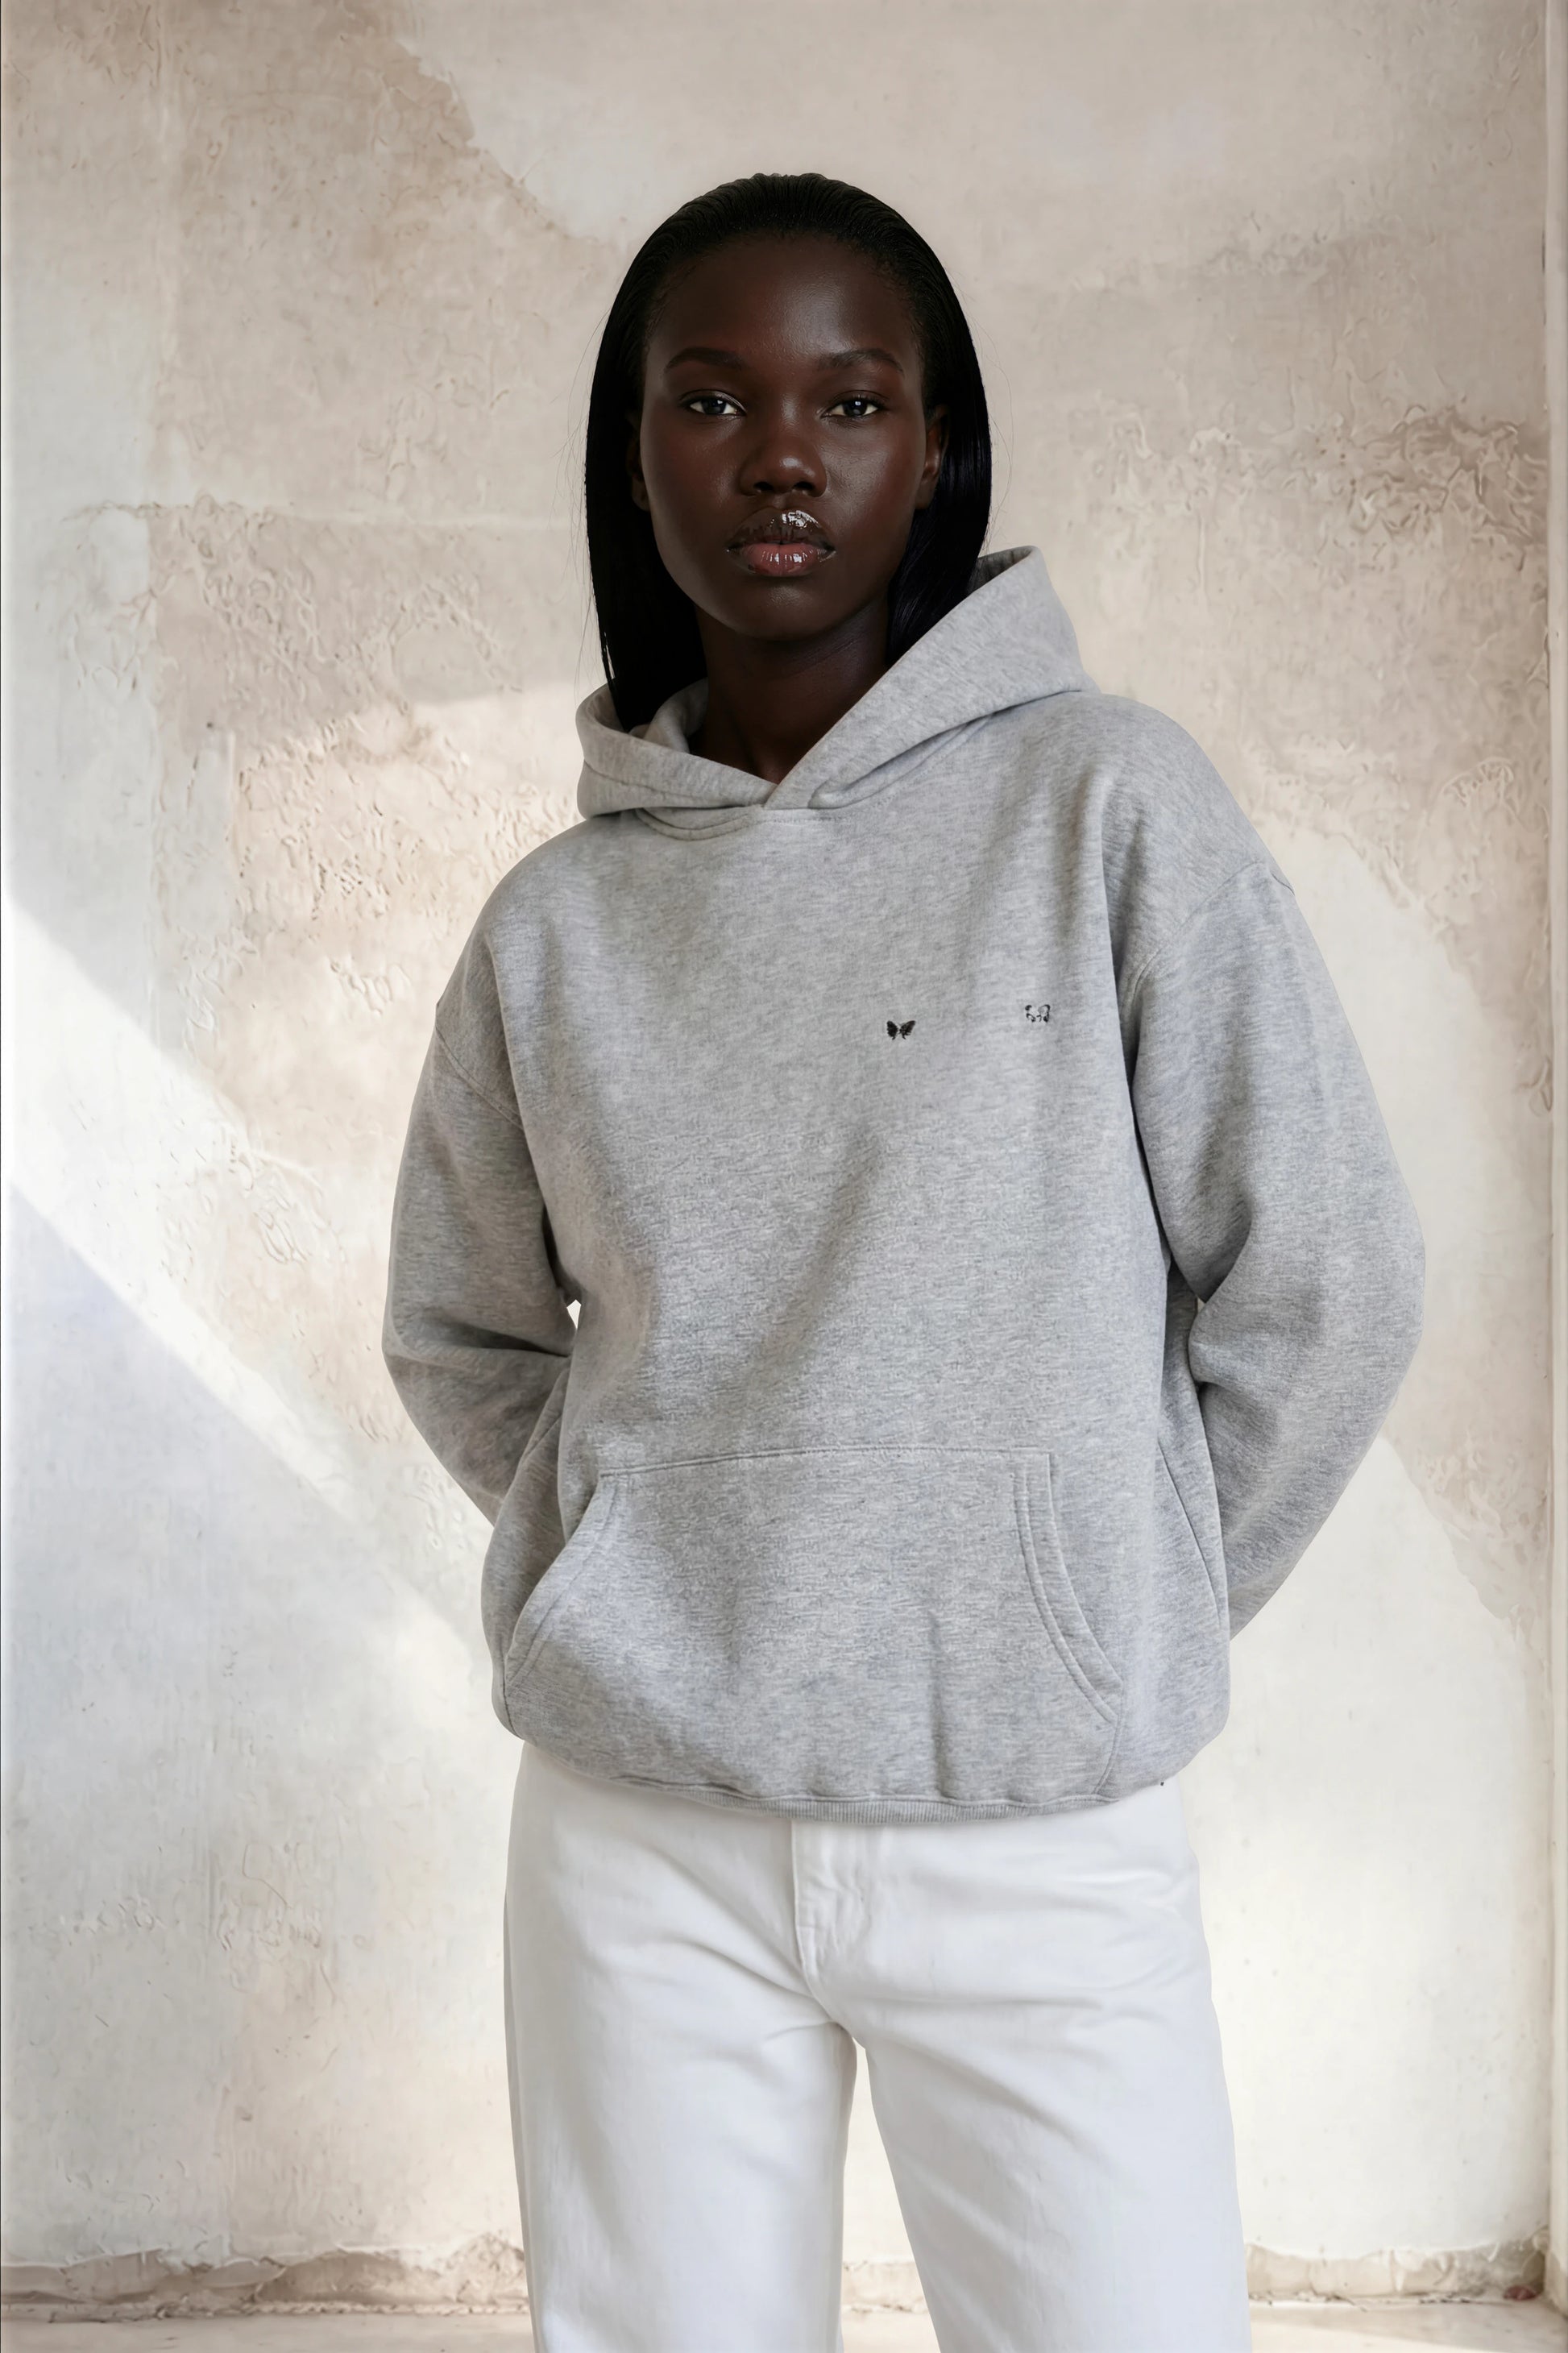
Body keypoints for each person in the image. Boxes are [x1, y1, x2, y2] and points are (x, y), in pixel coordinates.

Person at [382, 172, 1425, 2353]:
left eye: (847, 400)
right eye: (712, 400)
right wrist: (635, 1563)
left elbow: (1322, 1280)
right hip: (642, 1830)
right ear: (635, 453)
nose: (782, 455)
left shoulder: (1109, 808)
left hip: (1034, 1824)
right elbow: (465, 1331)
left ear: (933, 448)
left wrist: (1092, 1594)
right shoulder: (556, 927)